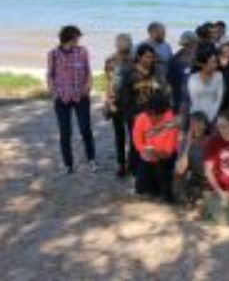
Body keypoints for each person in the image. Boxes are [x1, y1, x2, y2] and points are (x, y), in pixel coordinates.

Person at [47, 25, 96, 174]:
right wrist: (54, 93)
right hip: (62, 98)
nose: (78, 40)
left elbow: (88, 71)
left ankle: (92, 160)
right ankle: (68, 165)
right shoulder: (53, 54)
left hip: (81, 97)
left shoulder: (83, 51)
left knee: (85, 129)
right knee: (65, 133)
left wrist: (88, 88)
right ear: (70, 38)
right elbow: (50, 74)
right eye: (77, 37)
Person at [114, 43, 168, 175]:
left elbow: (160, 92)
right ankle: (134, 169)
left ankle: (148, 168)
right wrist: (132, 115)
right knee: (136, 143)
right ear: (139, 57)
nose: (150, 60)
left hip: (152, 114)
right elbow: (124, 98)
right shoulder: (129, 73)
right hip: (135, 115)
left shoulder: (154, 71)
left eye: (152, 57)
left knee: (151, 141)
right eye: (147, 57)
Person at [132, 92, 179, 202]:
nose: (152, 118)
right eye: (150, 115)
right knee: (141, 188)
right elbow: (137, 140)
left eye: (157, 116)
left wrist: (156, 154)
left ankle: (165, 190)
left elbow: (169, 150)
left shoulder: (170, 120)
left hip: (165, 158)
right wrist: (144, 150)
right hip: (147, 156)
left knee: (166, 192)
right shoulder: (141, 118)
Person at [103, 33, 133, 177]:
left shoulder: (135, 59)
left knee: (133, 135)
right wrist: (107, 102)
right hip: (117, 103)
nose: (125, 52)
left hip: (132, 103)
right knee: (120, 135)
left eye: (126, 49)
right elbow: (108, 82)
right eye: (123, 49)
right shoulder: (110, 60)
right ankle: (122, 164)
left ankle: (130, 163)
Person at [173, 111, 210, 206]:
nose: (196, 127)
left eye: (199, 123)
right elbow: (181, 166)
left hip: (208, 176)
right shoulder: (184, 140)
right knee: (177, 169)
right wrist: (188, 143)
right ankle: (182, 198)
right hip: (194, 174)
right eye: (193, 124)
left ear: (205, 126)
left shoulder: (209, 140)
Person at [187, 45, 225, 123]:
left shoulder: (219, 76)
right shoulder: (193, 78)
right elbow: (195, 101)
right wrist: (202, 119)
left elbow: (218, 99)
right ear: (202, 64)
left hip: (215, 116)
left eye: (216, 62)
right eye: (212, 62)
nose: (215, 65)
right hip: (197, 117)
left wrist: (210, 118)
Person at [167, 30, 199, 113]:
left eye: (193, 44)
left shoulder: (200, 57)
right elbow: (170, 81)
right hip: (181, 100)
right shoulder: (175, 60)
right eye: (187, 45)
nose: (192, 47)